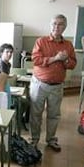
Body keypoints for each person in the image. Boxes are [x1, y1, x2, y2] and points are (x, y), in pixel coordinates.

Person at [29, 14, 77, 151]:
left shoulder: (68, 45)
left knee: (54, 115)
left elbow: (72, 64)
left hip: (57, 86)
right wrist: (55, 58)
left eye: (60, 24)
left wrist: (65, 60)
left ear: (65, 27)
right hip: (39, 84)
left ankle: (51, 140)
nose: (57, 26)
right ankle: (34, 139)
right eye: (54, 23)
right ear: (51, 25)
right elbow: (36, 60)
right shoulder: (41, 41)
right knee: (35, 113)